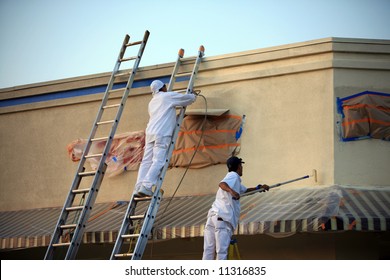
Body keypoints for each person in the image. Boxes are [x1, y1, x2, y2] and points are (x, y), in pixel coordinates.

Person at [134, 80, 197, 197]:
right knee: (159, 160)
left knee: (146, 161)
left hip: (150, 133)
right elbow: (186, 99)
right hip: (161, 133)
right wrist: (193, 96)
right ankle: (146, 186)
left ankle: (138, 186)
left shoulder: (152, 102)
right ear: (162, 88)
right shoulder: (166, 97)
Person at [202, 156, 269, 260]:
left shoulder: (235, 181)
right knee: (222, 252)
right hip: (222, 218)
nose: (242, 168)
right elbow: (222, 184)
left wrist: (259, 188)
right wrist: (232, 191)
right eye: (241, 166)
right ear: (239, 166)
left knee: (208, 250)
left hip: (213, 217)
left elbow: (246, 191)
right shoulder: (233, 176)